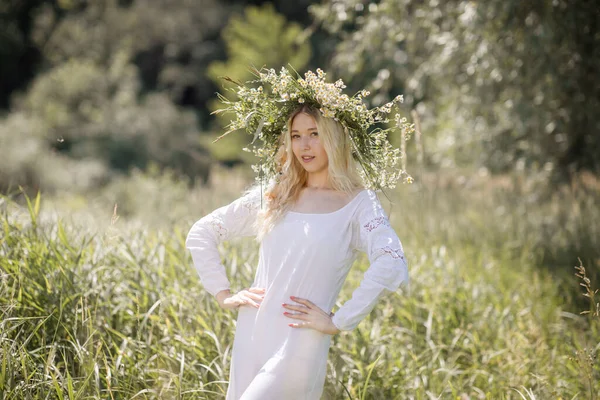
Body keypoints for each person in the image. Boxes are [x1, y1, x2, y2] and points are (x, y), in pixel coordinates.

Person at [185, 68, 410, 399]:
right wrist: (223, 293)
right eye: (295, 135)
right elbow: (203, 231)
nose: (304, 145)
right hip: (252, 332)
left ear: (334, 137)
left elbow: (391, 260)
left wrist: (340, 320)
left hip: (300, 341)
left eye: (315, 133)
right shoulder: (277, 193)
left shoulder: (359, 204)